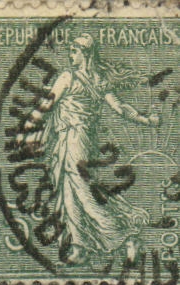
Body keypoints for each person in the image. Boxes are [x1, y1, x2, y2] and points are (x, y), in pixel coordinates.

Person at [18, 34, 159, 265]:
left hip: (75, 140)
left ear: (85, 54)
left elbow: (47, 104)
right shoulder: (99, 80)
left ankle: (124, 236)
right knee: (69, 190)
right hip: (81, 140)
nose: (70, 55)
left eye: (74, 51)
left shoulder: (68, 77)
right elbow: (121, 108)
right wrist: (146, 120)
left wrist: (27, 126)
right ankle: (79, 245)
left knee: (82, 190)